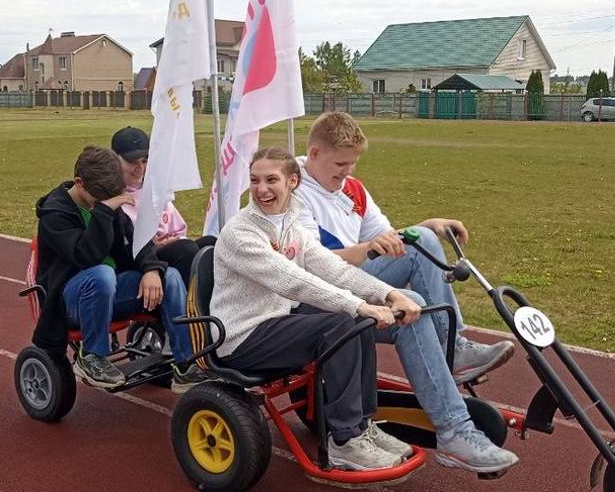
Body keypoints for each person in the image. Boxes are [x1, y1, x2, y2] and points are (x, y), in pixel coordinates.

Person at [211, 147, 518, 474]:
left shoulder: (292, 229)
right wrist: (361, 305)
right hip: (243, 336)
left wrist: (387, 295)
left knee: (354, 319)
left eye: (271, 180)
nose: (261, 189)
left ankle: (367, 426)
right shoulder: (241, 233)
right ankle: (345, 440)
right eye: (255, 180)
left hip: (278, 322)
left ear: (292, 181)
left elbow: (334, 269)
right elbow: (294, 282)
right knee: (342, 323)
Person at [293, 112, 515, 383]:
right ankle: (452, 351)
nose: (348, 171)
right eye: (341, 163)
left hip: (353, 280)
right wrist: (366, 249)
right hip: (318, 294)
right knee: (416, 277)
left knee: (420, 240)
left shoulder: (352, 188)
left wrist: (428, 225)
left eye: (353, 163)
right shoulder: (293, 190)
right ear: (314, 153)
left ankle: (452, 350)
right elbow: (308, 262)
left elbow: (389, 241)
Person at [32, 145, 200, 393]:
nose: (105, 203)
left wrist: (151, 270)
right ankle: (92, 357)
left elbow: (137, 244)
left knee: (170, 275)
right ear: (79, 182)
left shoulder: (104, 201)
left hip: (108, 295)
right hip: (70, 303)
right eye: (99, 199)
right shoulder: (55, 214)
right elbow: (85, 256)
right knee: (102, 274)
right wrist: (104, 211)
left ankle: (185, 364)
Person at [110, 126, 216, 285]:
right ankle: (188, 307)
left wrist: (173, 239)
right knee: (186, 249)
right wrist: (154, 246)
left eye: (145, 161)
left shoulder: (153, 189)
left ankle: (212, 303)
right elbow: (121, 245)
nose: (140, 168)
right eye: (132, 162)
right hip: (137, 261)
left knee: (211, 243)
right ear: (114, 159)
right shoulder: (112, 196)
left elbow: (176, 227)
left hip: (168, 248)